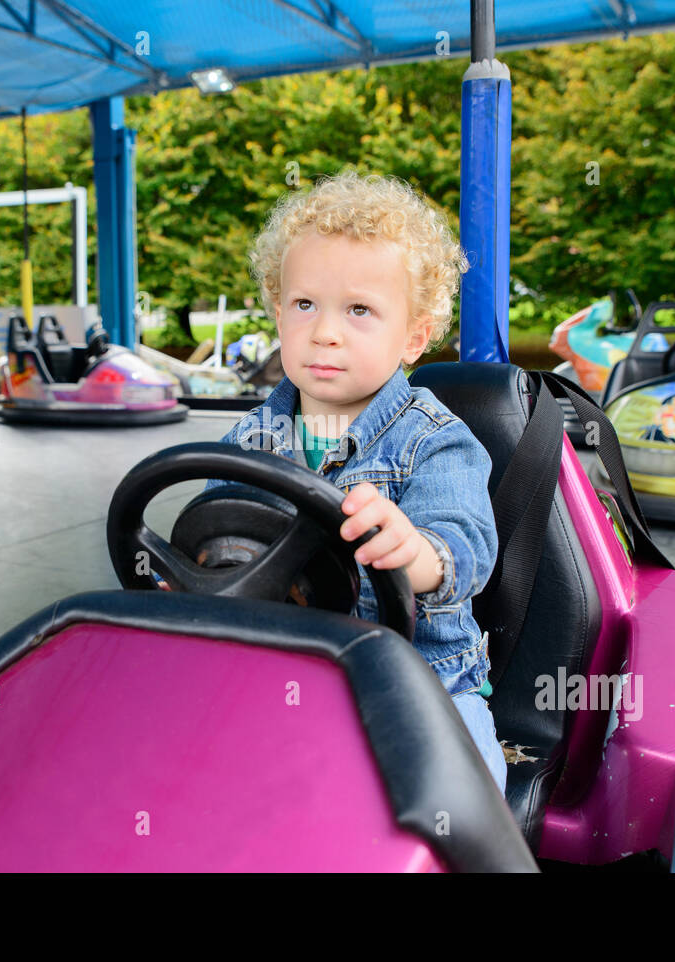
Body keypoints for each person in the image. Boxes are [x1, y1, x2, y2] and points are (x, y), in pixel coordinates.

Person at [203, 168, 507, 793]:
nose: (325, 331)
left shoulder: (434, 441)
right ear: (278, 312)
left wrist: (416, 553)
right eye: (304, 304)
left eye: (360, 310)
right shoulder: (247, 442)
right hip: (282, 668)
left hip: (422, 679)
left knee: (465, 794)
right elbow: (214, 542)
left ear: (414, 336)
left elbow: (465, 548)